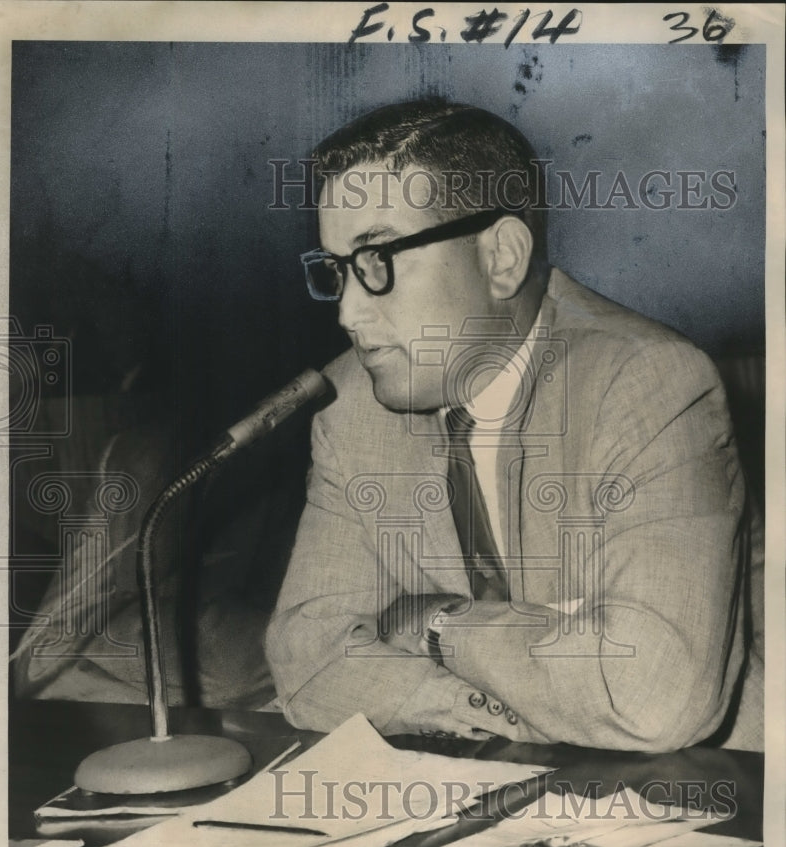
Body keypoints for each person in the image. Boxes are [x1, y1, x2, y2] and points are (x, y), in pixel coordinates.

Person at [265, 98, 764, 752]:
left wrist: (436, 626)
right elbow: (307, 659)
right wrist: (470, 700)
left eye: (377, 258)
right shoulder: (352, 403)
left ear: (500, 256)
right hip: (500, 779)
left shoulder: (650, 383)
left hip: (720, 791)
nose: (349, 312)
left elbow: (652, 698)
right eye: (337, 271)